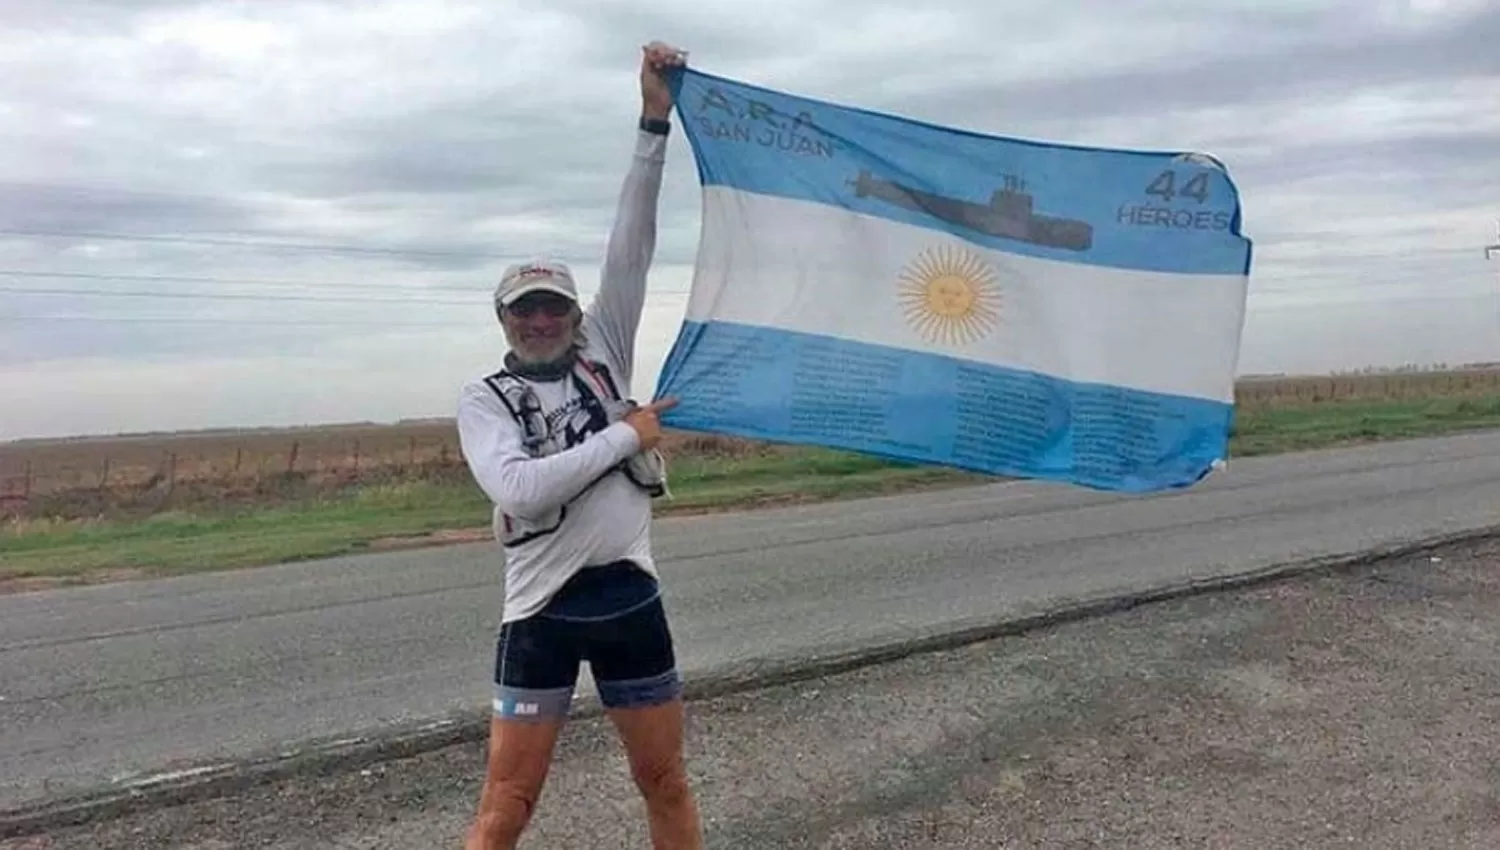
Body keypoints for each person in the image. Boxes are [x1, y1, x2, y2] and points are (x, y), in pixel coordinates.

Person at [455, 42, 702, 850]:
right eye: (524, 310)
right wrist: (626, 433)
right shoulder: (484, 401)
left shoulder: (607, 347)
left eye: (553, 307)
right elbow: (521, 493)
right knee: (509, 799)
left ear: (573, 312)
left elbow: (634, 235)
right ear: (504, 321)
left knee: (664, 781)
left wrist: (653, 119)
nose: (541, 321)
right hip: (541, 612)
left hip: (630, 597)